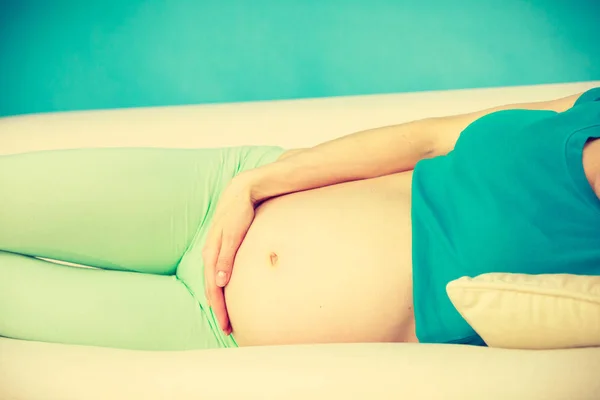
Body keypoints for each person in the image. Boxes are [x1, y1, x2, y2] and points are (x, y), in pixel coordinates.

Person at [1, 87, 599, 351]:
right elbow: (428, 137)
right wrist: (252, 184)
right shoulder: (590, 101)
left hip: (214, 328)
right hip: (216, 195)